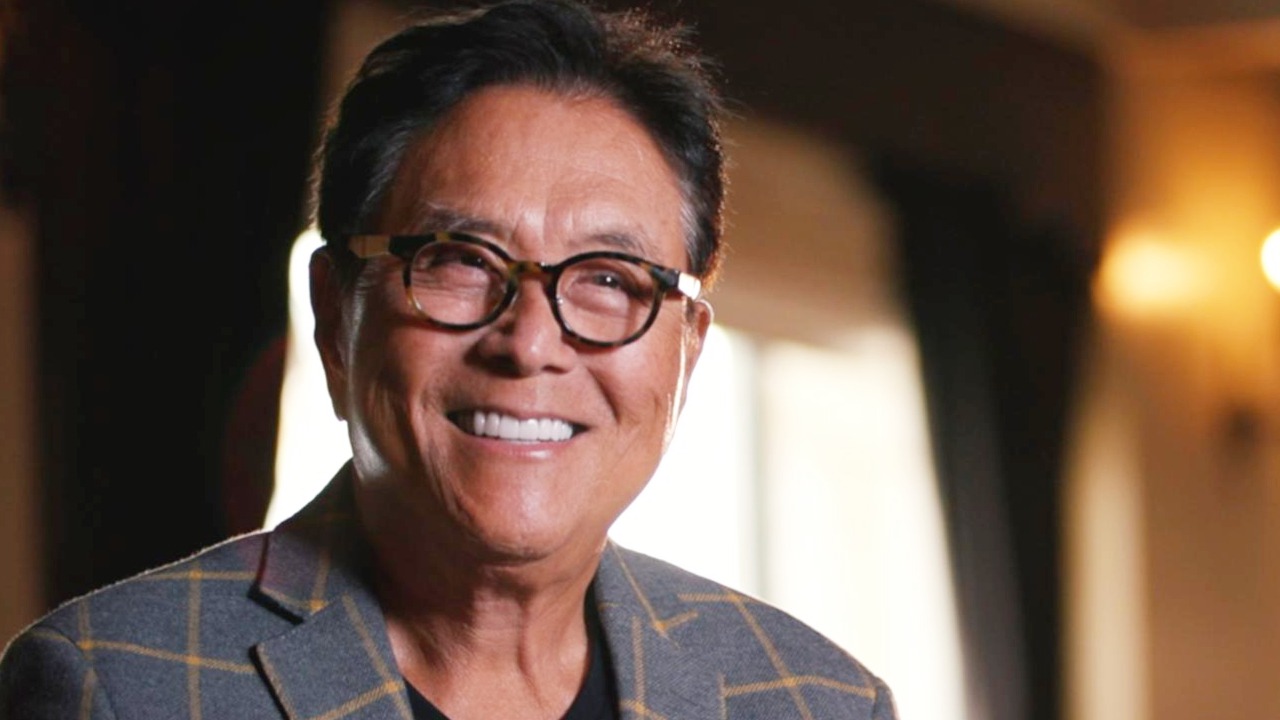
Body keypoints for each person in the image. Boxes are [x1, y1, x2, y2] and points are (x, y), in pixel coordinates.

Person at [0, 1, 898, 717]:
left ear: (687, 352)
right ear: (335, 315)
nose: (530, 344)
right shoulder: (115, 686)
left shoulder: (814, 700)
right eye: (461, 261)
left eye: (608, 279)